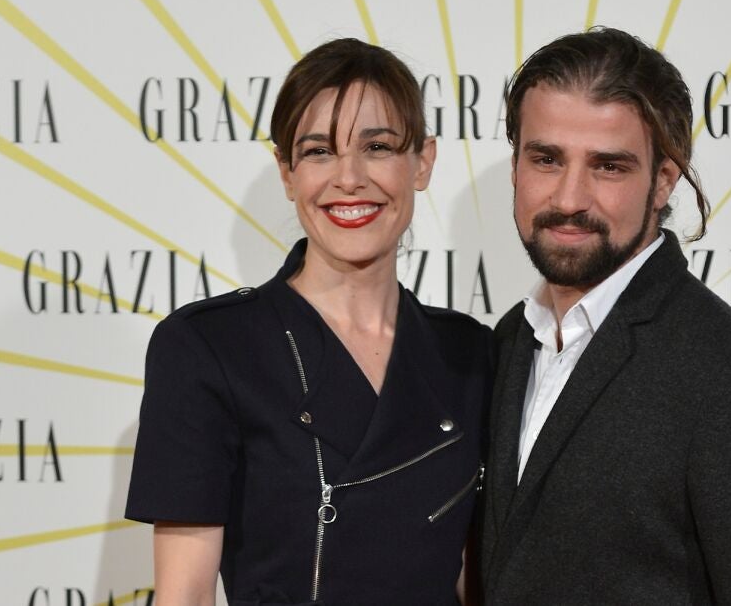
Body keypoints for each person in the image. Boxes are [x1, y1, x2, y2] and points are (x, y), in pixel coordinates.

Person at [125, 38, 492, 606]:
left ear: (422, 161)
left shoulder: (471, 354)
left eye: (377, 147)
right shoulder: (208, 347)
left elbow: (475, 577)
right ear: (287, 172)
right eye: (319, 151)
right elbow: (185, 595)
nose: (349, 178)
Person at [479, 28, 731, 604]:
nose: (569, 198)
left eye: (608, 167)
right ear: (516, 165)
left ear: (664, 179)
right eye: (546, 159)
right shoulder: (509, 342)